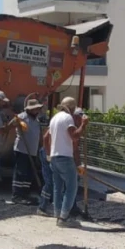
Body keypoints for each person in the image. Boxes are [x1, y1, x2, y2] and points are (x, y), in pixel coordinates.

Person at [48, 97, 87, 226]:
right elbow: (74, 136)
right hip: (65, 157)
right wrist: (83, 125)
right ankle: (64, 218)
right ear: (72, 108)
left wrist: (49, 155)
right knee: (71, 187)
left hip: (54, 157)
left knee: (57, 187)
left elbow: (48, 138)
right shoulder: (67, 118)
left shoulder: (54, 118)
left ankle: (58, 213)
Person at [11, 98, 44, 205]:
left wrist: (40, 149)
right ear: (29, 109)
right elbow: (12, 124)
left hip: (33, 151)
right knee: (21, 173)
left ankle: (25, 194)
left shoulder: (36, 120)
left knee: (29, 174)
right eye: (34, 109)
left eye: (37, 109)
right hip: (22, 150)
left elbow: (39, 136)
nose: (36, 111)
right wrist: (17, 122)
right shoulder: (22, 117)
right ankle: (17, 195)